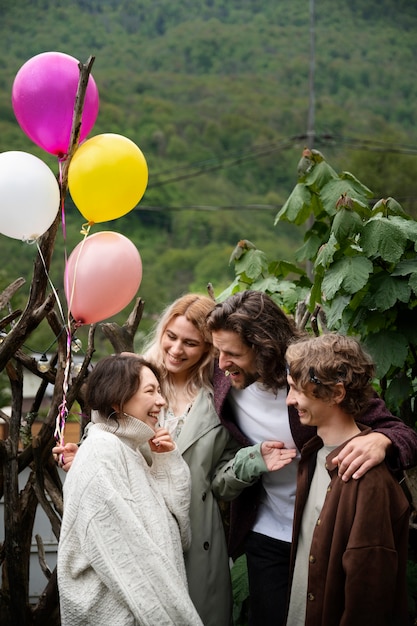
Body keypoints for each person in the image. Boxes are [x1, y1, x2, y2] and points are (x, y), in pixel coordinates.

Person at [54, 294, 294, 626]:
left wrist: (251, 462)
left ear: (210, 348)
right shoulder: (134, 376)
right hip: (135, 530)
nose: (177, 349)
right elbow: (104, 438)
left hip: (197, 534)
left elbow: (219, 481)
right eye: (171, 336)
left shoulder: (222, 396)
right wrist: (79, 459)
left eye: (191, 343)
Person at [206, 290, 417, 626]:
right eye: (217, 351)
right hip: (266, 530)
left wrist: (382, 439)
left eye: (231, 353)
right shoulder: (224, 379)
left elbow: (401, 432)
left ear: (264, 347)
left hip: (327, 529)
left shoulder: (312, 377)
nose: (220, 363)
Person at [57, 354, 203, 626]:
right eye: (150, 391)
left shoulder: (131, 450)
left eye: (160, 391)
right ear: (117, 399)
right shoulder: (102, 452)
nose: (161, 401)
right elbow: (129, 561)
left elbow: (180, 533)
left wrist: (166, 461)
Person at [284, 333, 410, 626]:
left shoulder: (367, 478)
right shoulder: (313, 453)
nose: (290, 400)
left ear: (336, 394)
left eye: (297, 390)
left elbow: (369, 596)